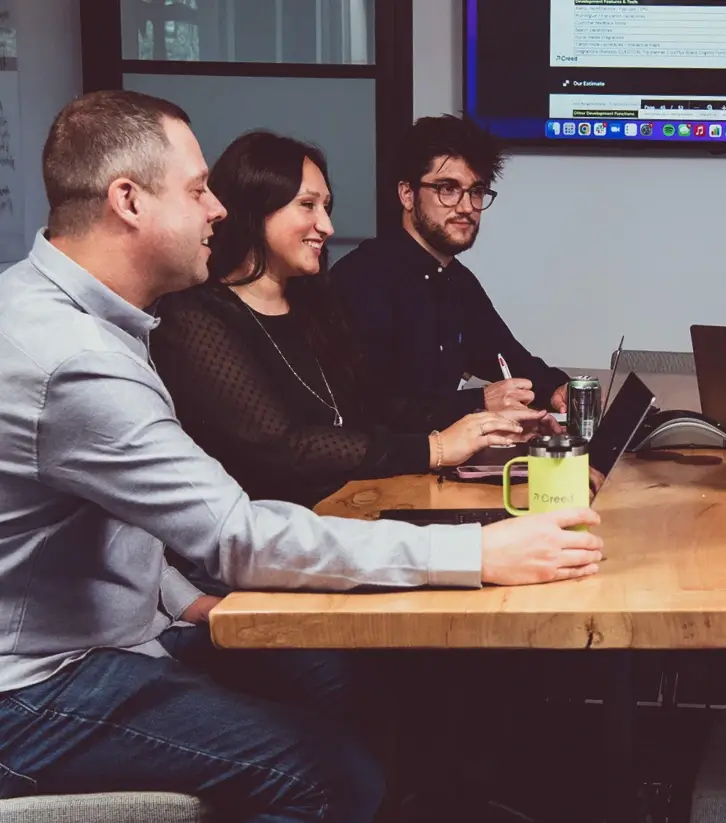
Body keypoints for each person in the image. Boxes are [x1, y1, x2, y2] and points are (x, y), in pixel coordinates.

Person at [0, 90, 603, 822]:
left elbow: (98, 502)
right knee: (332, 773)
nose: (217, 209)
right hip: (35, 690)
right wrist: (477, 552)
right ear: (127, 200)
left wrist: (173, 594)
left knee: (352, 685)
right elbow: (237, 533)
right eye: (197, 190)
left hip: (122, 639)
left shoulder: (66, 310)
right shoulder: (78, 357)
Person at [151, 130, 556, 511]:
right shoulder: (196, 316)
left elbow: (363, 415)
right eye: (307, 205)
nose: (326, 226)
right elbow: (283, 447)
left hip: (353, 504)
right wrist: (438, 445)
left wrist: (492, 427)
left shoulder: (313, 304)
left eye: (326, 207)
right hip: (267, 536)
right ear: (255, 209)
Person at [331, 114, 570, 426]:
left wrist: (556, 390)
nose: (467, 206)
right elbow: (370, 409)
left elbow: (506, 356)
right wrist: (481, 402)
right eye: (448, 189)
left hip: (438, 463)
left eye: (476, 191)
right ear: (407, 194)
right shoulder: (363, 279)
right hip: (376, 470)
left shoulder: (457, 280)